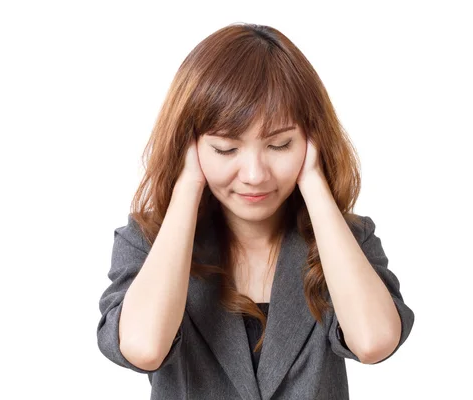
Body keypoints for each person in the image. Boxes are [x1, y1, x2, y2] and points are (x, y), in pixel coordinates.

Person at [96, 22, 415, 400]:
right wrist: (187, 186)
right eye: (226, 149)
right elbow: (143, 348)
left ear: (311, 139)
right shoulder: (148, 243)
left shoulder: (343, 240)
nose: (254, 175)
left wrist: (313, 179)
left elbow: (374, 341)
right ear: (189, 146)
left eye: (280, 145)